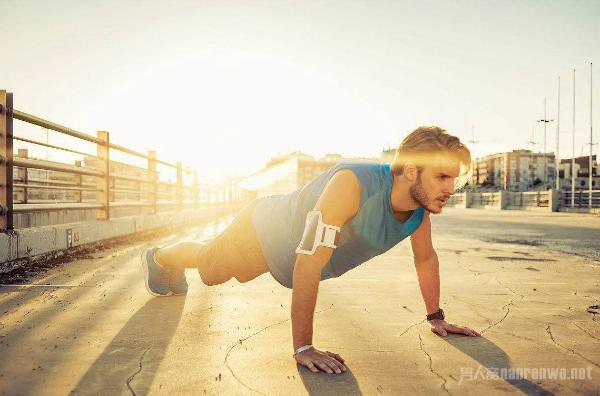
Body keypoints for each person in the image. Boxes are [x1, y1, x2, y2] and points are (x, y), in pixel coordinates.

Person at [141, 126, 481, 375]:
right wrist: (303, 348)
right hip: (261, 231)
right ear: (411, 170)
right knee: (211, 269)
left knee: (224, 267)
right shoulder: (353, 184)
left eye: (454, 179)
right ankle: (158, 257)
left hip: (286, 256)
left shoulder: (420, 212)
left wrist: (437, 318)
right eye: (442, 177)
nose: (450, 189)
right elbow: (309, 259)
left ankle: (167, 258)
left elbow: (425, 260)